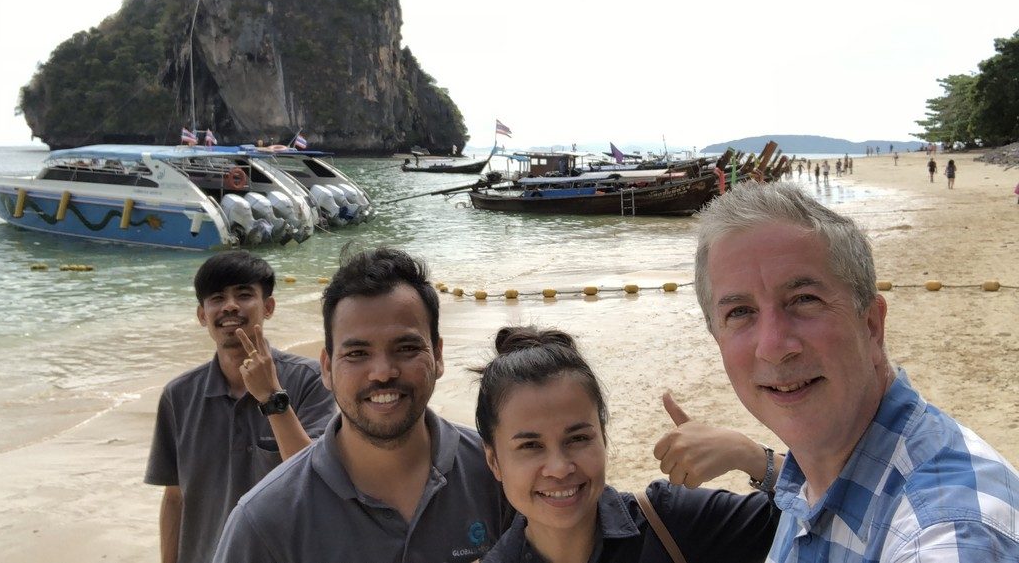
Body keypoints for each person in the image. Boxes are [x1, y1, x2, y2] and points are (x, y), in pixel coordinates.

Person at [692, 182, 1019, 561]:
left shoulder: (943, 532)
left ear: (871, 325)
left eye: (804, 300)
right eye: (740, 312)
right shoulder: (821, 466)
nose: (773, 347)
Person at [212, 247, 510, 562]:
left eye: (406, 348)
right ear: (326, 368)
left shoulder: (499, 475)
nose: (382, 373)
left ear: (437, 356)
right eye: (357, 354)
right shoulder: (265, 520)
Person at [477, 326, 780, 563]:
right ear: (494, 462)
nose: (559, 468)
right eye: (531, 446)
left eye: (579, 438)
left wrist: (748, 455)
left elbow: (819, 509)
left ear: (603, 438)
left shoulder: (669, 523)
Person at [145, 251, 334, 563]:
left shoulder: (311, 380)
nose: (229, 305)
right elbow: (175, 498)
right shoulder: (178, 396)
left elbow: (316, 481)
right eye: (217, 298)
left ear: (268, 307)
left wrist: (272, 397)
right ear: (202, 315)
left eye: (244, 295)